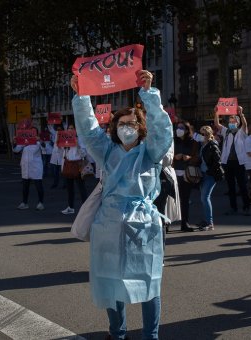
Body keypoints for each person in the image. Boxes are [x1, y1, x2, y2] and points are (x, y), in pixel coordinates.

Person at [71, 70, 172, 340]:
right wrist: (82, 96)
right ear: (115, 128)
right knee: (110, 281)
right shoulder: (106, 151)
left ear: (141, 128)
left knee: (150, 283)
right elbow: (89, 129)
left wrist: (149, 94)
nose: (127, 127)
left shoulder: (150, 152)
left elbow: (163, 131)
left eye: (132, 123)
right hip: (109, 225)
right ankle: (117, 333)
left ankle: (150, 336)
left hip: (143, 226)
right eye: (122, 123)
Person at [214, 106, 251, 216]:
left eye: (233, 121)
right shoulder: (226, 131)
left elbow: (245, 124)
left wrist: (241, 114)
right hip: (227, 162)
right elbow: (217, 124)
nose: (231, 122)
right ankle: (233, 208)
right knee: (230, 187)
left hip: (239, 162)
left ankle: (246, 207)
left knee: (242, 185)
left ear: (237, 123)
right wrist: (216, 113)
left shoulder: (242, 132)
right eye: (230, 121)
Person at [172, 120, 200, 232]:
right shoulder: (173, 141)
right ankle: (167, 223)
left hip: (187, 174)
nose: (179, 130)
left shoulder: (193, 142)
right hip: (174, 174)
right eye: (178, 128)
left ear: (187, 130)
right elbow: (167, 155)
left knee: (184, 200)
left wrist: (188, 158)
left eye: (182, 128)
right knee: (172, 200)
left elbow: (197, 157)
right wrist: (174, 157)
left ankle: (184, 223)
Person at [197, 125, 222, 231]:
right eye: (201, 133)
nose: (202, 136)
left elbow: (217, 161)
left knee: (205, 197)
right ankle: (206, 219)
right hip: (203, 174)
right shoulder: (203, 145)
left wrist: (210, 171)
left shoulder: (212, 145)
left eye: (204, 134)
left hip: (210, 175)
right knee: (203, 198)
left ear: (208, 134)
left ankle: (210, 223)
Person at [14, 128, 45, 211]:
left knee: (38, 185)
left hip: (36, 166)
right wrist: (14, 142)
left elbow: (45, 149)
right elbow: (16, 150)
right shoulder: (24, 141)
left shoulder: (38, 142)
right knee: (25, 186)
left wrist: (41, 141)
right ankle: (24, 203)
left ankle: (40, 203)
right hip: (25, 166)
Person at [60, 125, 88, 215]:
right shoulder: (65, 139)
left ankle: (86, 208)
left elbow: (84, 153)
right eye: (69, 128)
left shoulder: (80, 139)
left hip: (77, 165)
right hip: (68, 165)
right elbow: (61, 152)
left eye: (72, 128)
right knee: (69, 188)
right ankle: (70, 207)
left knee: (81, 188)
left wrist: (77, 145)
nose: (70, 130)